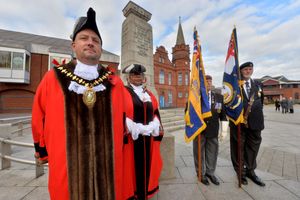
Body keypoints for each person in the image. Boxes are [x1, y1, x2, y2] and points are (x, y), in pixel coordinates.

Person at [31, 8, 134, 200]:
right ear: (73, 45)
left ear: (100, 48)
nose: (90, 43)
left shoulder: (115, 82)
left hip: (109, 173)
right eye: (84, 38)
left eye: (95, 40)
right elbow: (38, 117)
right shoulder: (52, 78)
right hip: (67, 172)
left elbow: (127, 121)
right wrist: (42, 151)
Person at [122, 64, 163, 199]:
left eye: (140, 75)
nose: (137, 77)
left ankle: (145, 192)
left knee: (148, 166)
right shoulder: (123, 92)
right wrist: (136, 128)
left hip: (148, 139)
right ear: (128, 78)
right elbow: (120, 113)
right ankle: (134, 193)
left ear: (144, 78)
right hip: (133, 140)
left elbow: (156, 111)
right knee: (132, 170)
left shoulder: (149, 94)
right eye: (134, 75)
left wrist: (154, 125)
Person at [229, 62, 265, 187]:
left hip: (255, 122)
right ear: (241, 71)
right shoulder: (234, 85)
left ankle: (250, 170)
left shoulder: (258, 84)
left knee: (253, 147)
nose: (248, 71)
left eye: (250, 69)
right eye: (245, 69)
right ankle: (241, 172)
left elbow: (261, 102)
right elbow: (228, 103)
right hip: (239, 122)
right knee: (238, 147)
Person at [193, 75, 227, 185]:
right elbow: (187, 112)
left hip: (213, 130)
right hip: (199, 130)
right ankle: (201, 173)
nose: (208, 82)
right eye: (206, 81)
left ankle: (210, 172)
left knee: (212, 152)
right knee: (199, 153)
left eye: (210, 80)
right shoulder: (195, 96)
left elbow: (223, 115)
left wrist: (224, 130)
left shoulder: (218, 97)